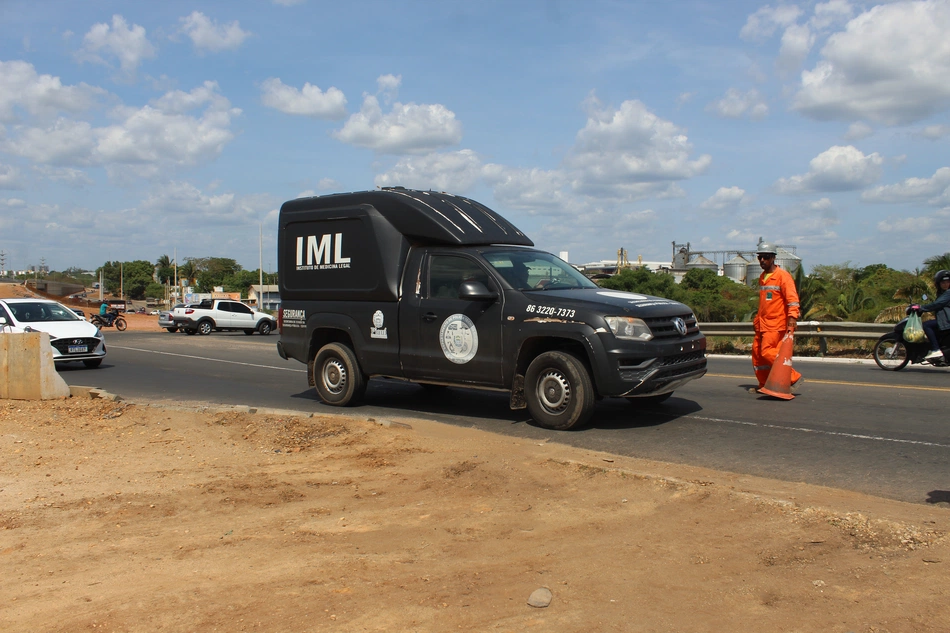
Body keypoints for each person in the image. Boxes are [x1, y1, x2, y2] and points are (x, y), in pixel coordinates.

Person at [752, 241, 802, 391]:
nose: (762, 260)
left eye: (765, 257)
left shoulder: (783, 277)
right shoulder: (762, 277)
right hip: (761, 323)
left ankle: (793, 377)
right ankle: (765, 384)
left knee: (768, 352)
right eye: (760, 257)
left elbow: (792, 300)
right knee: (757, 355)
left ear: (773, 258)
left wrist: (792, 319)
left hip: (775, 324)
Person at [914, 269, 950, 360]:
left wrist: (922, 308)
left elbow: (938, 304)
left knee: (926, 325)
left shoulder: (948, 293)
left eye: (948, 282)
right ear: (939, 284)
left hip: (947, 321)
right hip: (945, 320)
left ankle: (936, 349)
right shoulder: (943, 293)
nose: (945, 284)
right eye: (943, 282)